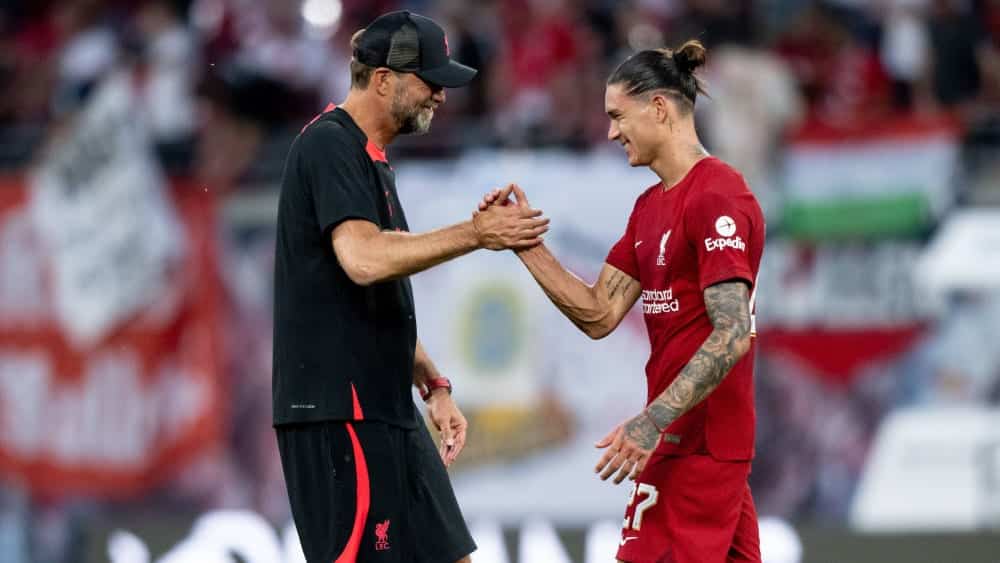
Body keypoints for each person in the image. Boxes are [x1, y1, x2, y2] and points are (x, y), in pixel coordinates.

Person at [272, 11, 549, 563]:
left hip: (387, 406)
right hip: (339, 410)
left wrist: (432, 383)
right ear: (383, 80)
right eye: (430, 81)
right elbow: (363, 260)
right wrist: (476, 233)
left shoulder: (370, 159)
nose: (441, 96)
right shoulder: (329, 146)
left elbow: (375, 297)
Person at [481, 40, 764, 562]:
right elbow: (599, 312)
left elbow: (731, 334)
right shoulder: (649, 207)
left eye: (618, 116)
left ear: (658, 108)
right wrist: (524, 242)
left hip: (695, 443)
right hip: (688, 439)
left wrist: (652, 421)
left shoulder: (718, 195)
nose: (611, 132)